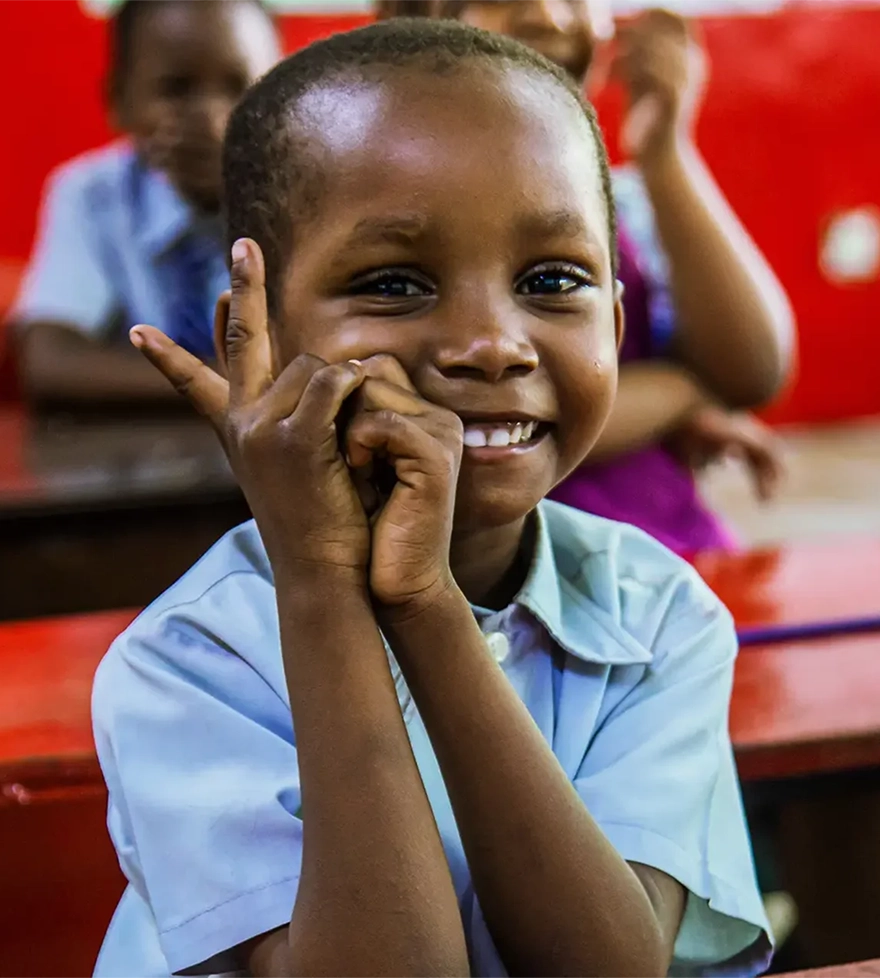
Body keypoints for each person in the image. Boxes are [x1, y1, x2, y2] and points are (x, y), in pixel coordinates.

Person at [91, 20, 771, 978]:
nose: (493, 343)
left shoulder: (657, 617)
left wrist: (426, 607)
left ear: (616, 326)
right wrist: (326, 586)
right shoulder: (191, 664)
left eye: (552, 280)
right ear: (258, 342)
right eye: (395, 283)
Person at [378, 0, 794, 554]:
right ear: (409, 26)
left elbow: (754, 368)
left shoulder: (617, 203)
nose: (549, 17)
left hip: (667, 561)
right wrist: (686, 390)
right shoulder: (395, 212)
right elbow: (477, 414)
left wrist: (664, 148)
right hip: (518, 579)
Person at [10, 0, 280, 405]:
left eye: (238, 86)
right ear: (118, 101)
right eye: (177, 89)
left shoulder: (306, 194)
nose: (210, 117)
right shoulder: (92, 196)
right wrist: (227, 389)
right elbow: (49, 361)